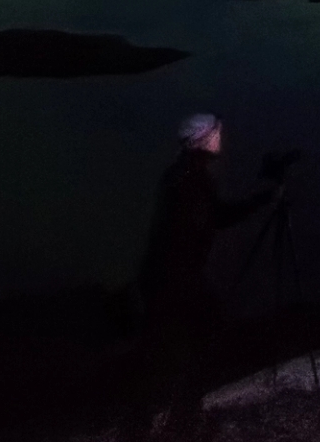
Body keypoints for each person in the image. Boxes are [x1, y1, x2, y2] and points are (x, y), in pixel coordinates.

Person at [124, 111, 284, 439]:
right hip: (174, 279)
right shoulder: (192, 179)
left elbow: (210, 218)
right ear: (204, 139)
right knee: (198, 337)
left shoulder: (181, 173)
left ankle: (155, 421)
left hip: (163, 277)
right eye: (217, 133)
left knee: (164, 347)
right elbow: (210, 220)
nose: (220, 138)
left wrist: (260, 199)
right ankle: (177, 420)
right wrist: (263, 198)